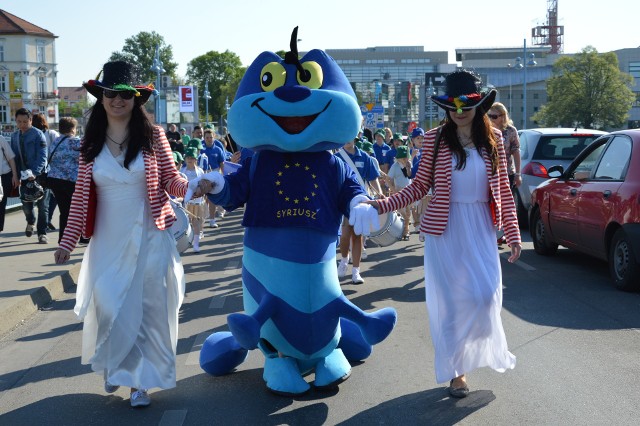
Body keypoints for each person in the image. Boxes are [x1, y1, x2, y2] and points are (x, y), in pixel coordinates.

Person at [52, 61, 207, 408]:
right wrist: (66, 242)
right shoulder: (88, 143)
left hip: (150, 234)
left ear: (136, 99)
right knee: (109, 304)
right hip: (108, 237)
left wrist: (193, 187)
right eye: (111, 94)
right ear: (101, 98)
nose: (117, 100)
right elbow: (80, 197)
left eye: (125, 95)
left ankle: (139, 383)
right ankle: (114, 365)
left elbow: (171, 180)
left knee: (147, 309)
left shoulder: (154, 137)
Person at [363, 70, 521, 398]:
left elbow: (503, 189)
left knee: (483, 296)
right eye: (452, 105)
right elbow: (420, 186)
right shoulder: (436, 139)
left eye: (466, 104)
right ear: (446, 107)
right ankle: (457, 372)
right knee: (451, 303)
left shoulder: (492, 138)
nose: (459, 110)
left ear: (478, 105)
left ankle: (471, 348)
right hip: (445, 229)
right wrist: (382, 205)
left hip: (480, 225)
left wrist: (514, 232)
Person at [336, 138, 383, 284]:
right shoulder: (337, 157)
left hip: (362, 201)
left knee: (358, 236)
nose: (347, 140)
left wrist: (380, 193)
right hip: (344, 202)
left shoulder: (364, 157)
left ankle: (356, 271)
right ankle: (344, 260)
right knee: (345, 235)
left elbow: (373, 178)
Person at [10, 108, 50, 243]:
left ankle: (42, 233)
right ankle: (30, 221)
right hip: (23, 175)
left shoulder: (38, 134)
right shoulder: (14, 136)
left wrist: (35, 172)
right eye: (19, 122)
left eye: (25, 121)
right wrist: (15, 175)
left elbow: (42, 156)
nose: (22, 124)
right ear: (15, 121)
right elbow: (13, 157)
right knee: (26, 204)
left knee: (43, 205)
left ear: (31, 120)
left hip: (40, 175)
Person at [488, 102, 521, 249]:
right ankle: (493, 233)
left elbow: (516, 152)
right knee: (490, 204)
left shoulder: (510, 131)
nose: (491, 119)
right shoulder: (485, 130)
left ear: (502, 117)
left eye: (494, 116)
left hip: (506, 173)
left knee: (506, 205)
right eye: (489, 116)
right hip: (489, 174)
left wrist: (518, 174)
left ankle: (504, 233)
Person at [46, 117, 81, 244]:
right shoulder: (76, 142)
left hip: (55, 180)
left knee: (64, 211)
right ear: (73, 129)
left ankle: (63, 239)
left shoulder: (56, 142)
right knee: (79, 209)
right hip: (72, 181)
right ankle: (83, 237)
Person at [32, 112, 61, 232]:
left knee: (36, 197)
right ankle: (46, 220)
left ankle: (42, 221)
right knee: (52, 197)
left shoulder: (33, 135)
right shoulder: (51, 133)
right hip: (52, 170)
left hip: (36, 170)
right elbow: (59, 149)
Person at [182, 147, 206, 252]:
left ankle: (196, 244)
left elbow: (204, 184)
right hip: (185, 202)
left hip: (197, 201)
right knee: (185, 223)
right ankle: (184, 243)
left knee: (196, 222)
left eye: (192, 157)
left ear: (196, 159)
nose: (189, 160)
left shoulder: (200, 171)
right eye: (187, 157)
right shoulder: (182, 171)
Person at [386, 145, 412, 240]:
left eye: (406, 157)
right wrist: (393, 189)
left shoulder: (409, 163)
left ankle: (406, 231)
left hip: (409, 190)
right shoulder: (395, 166)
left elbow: (409, 176)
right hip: (399, 190)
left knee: (408, 212)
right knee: (402, 213)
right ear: (398, 158)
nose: (405, 159)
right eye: (403, 158)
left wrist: (409, 168)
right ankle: (403, 230)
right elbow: (388, 179)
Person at [201, 128, 225, 227]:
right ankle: (201, 222)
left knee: (212, 198)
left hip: (215, 173)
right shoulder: (201, 148)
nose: (209, 139)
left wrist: (224, 175)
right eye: (207, 137)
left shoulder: (218, 149)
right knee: (203, 198)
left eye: (211, 137)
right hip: (204, 173)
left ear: (214, 137)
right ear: (204, 138)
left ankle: (212, 220)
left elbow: (222, 163)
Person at [0, 134, 19, 232]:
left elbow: (11, 158)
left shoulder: (0, 138)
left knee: (1, 206)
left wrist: (14, 175)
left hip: (3, 176)